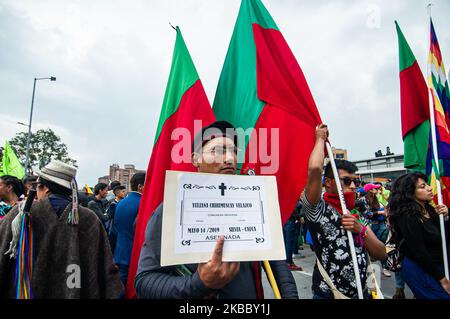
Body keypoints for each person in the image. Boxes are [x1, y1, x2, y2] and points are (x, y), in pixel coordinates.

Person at [135, 121, 298, 299]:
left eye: (234, 151)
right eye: (218, 151)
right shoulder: (171, 210)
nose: (229, 159)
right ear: (195, 158)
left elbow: (279, 267)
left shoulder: (254, 205)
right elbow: (145, 281)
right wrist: (198, 283)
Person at [0, 160, 123, 298]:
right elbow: (104, 266)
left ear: (45, 188)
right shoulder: (89, 218)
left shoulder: (22, 212)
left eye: (37, 187)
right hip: (75, 288)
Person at [301, 124, 387, 299]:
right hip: (329, 295)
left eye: (355, 181)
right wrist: (320, 139)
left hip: (364, 293)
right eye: (346, 181)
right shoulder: (317, 209)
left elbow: (381, 253)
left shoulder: (357, 211)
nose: (354, 186)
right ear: (328, 183)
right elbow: (315, 170)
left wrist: (361, 230)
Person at [388, 172, 450, 299]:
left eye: (427, 184)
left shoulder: (430, 210)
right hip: (421, 269)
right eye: (422, 186)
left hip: (437, 266)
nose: (429, 188)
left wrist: (445, 218)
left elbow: (443, 239)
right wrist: (442, 279)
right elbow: (419, 251)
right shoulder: (406, 217)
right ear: (410, 192)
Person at [113, 174, 145, 287]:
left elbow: (114, 230)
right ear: (140, 186)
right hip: (137, 255)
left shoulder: (120, 203)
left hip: (120, 253)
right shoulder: (144, 204)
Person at [361, 183, 391, 277]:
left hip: (380, 224)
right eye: (374, 188)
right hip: (370, 226)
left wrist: (384, 211)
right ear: (370, 190)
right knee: (368, 247)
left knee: (382, 246)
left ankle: (384, 268)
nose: (377, 189)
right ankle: (369, 268)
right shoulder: (363, 200)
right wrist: (380, 212)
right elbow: (367, 214)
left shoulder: (376, 198)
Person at [283, 200, 303, 271]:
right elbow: (292, 209)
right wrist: (298, 217)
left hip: (285, 220)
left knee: (286, 242)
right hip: (290, 220)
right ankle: (289, 262)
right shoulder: (288, 199)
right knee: (289, 243)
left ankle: (287, 261)